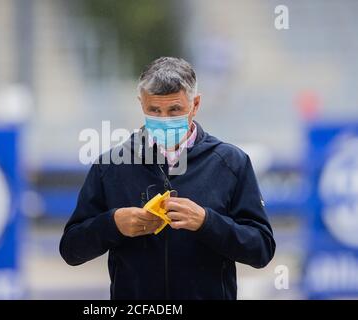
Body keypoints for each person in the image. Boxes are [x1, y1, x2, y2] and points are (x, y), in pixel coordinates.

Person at [60, 57, 276, 299]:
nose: (164, 119)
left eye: (175, 110)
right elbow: (71, 250)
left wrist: (207, 222)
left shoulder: (231, 163)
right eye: (154, 110)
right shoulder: (110, 165)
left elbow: (261, 250)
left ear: (195, 104)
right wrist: (113, 224)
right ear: (141, 104)